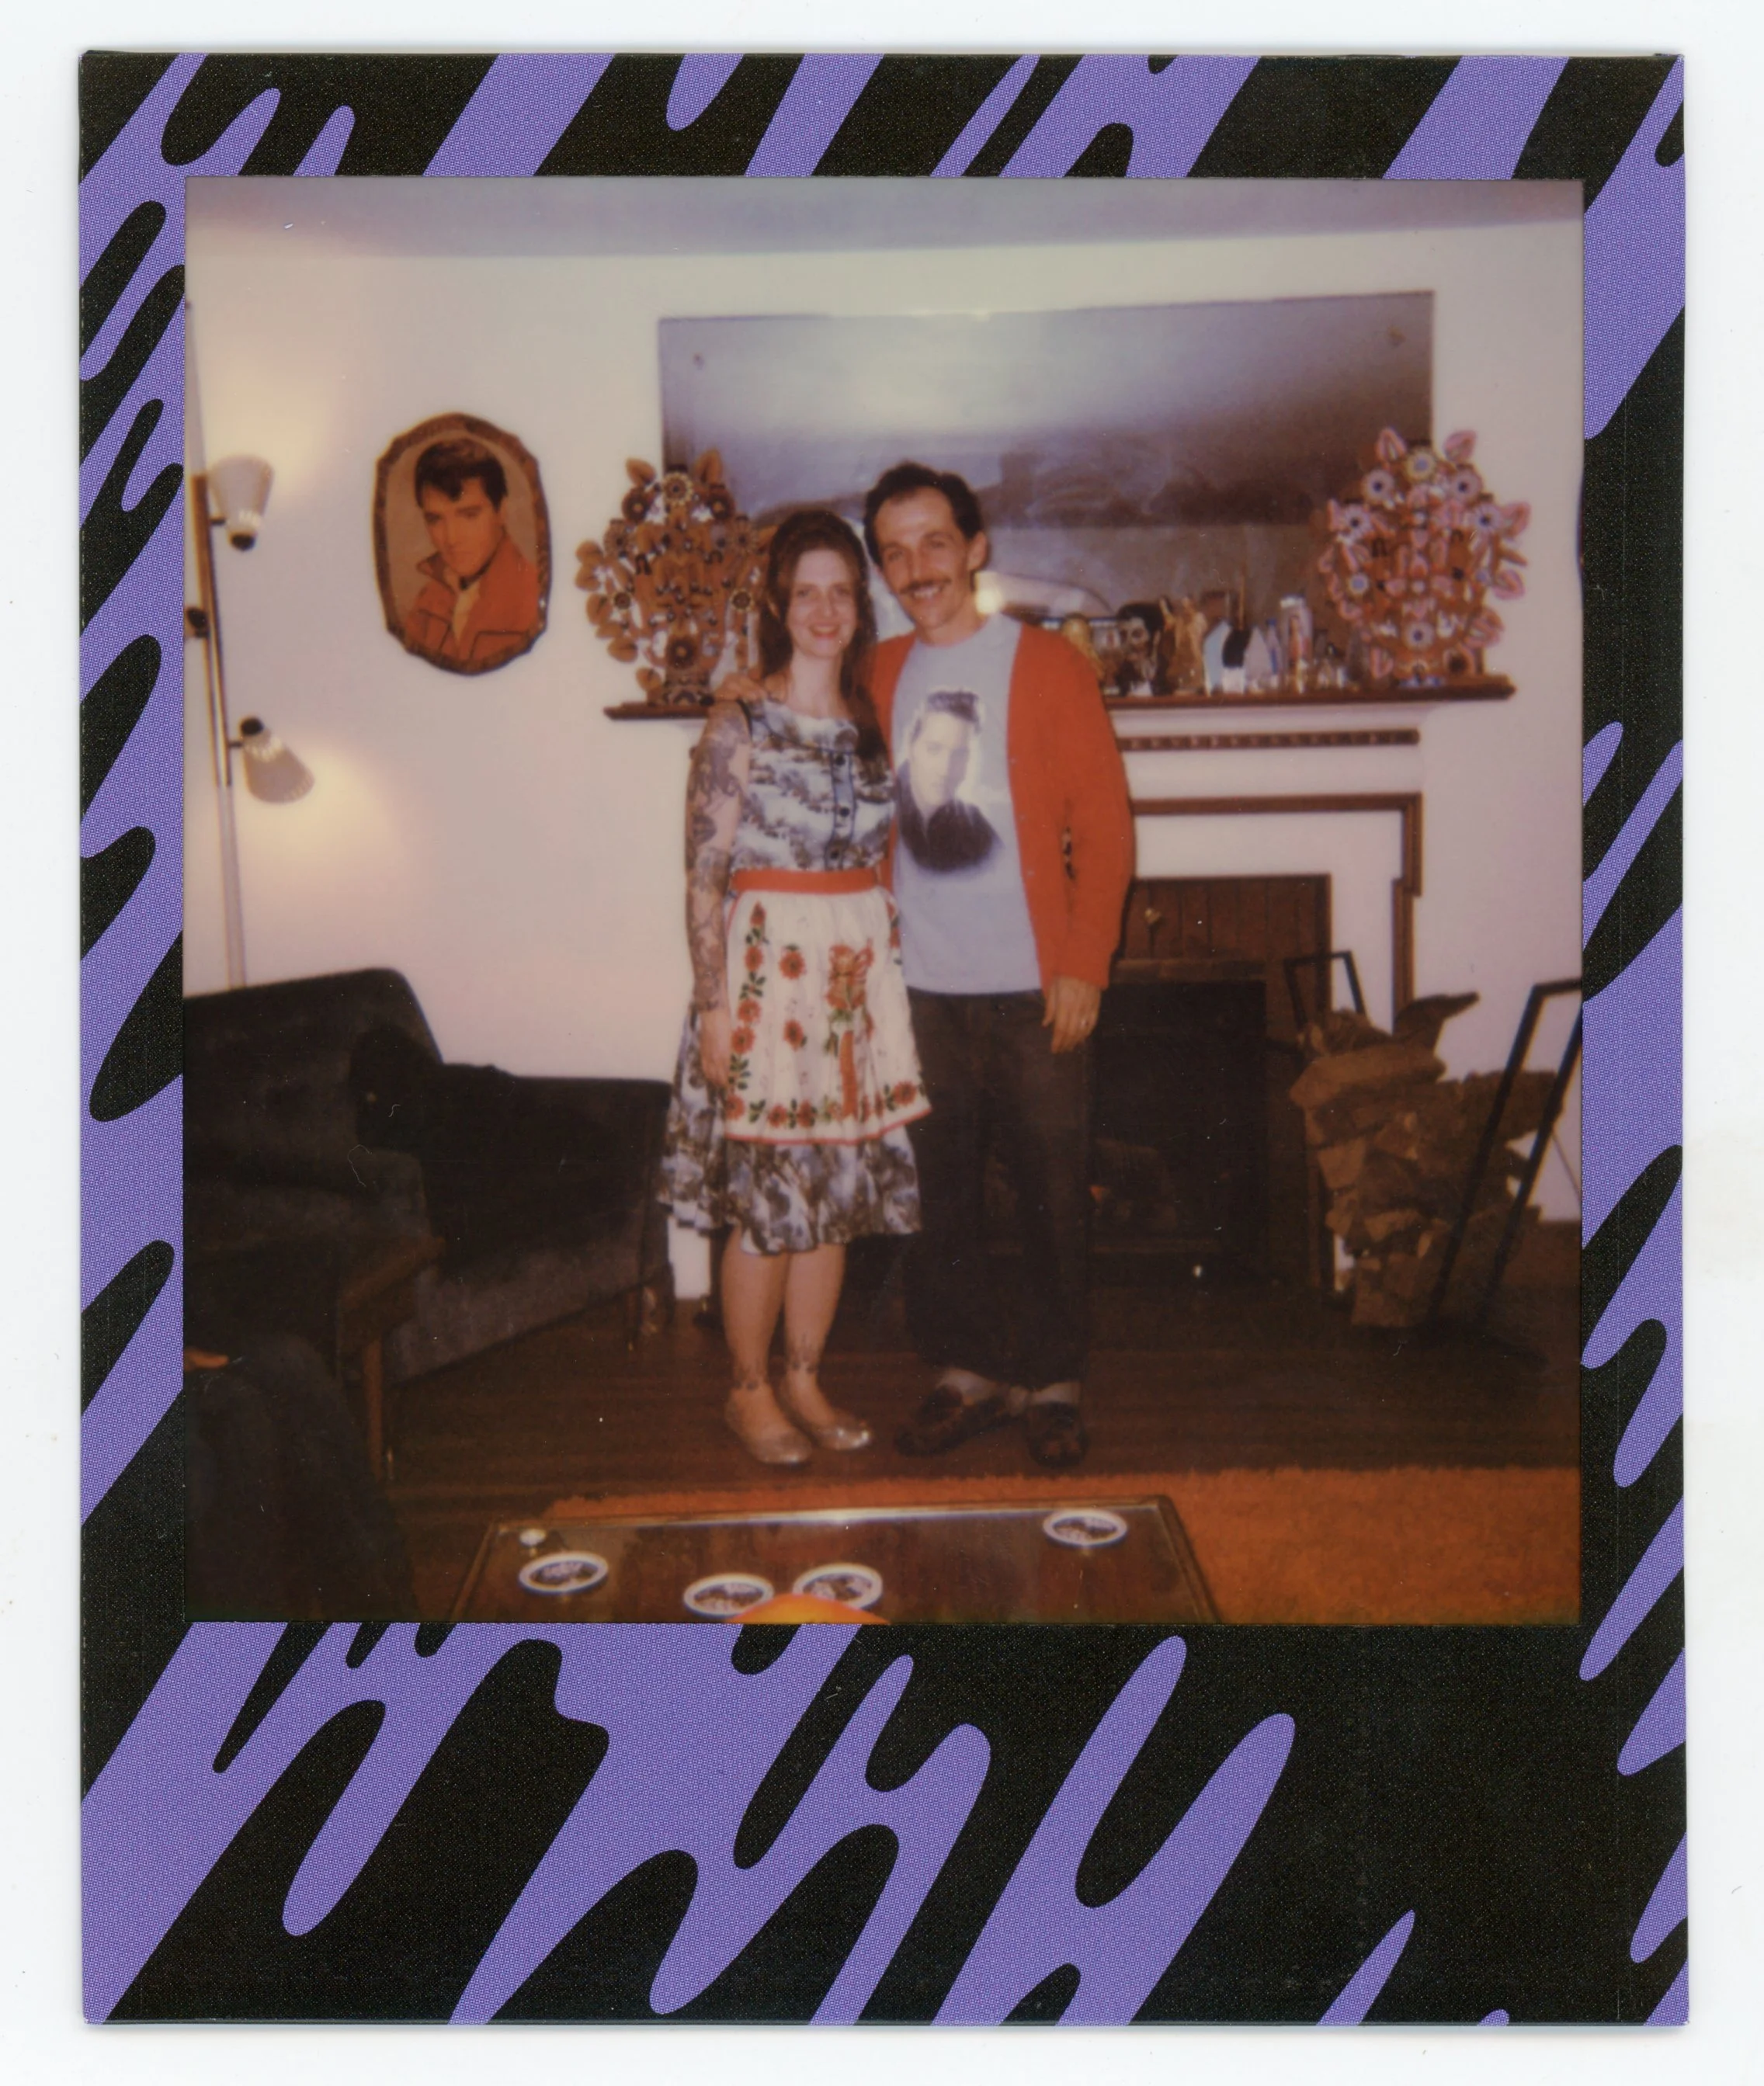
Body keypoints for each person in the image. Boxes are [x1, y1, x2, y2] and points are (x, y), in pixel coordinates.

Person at [863, 461, 1134, 1470]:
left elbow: (1104, 824)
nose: (915, 567)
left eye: (935, 542)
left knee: (1055, 1187)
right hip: (920, 984)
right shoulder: (878, 672)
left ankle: (1056, 1377)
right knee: (941, 1190)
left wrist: (1083, 962)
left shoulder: (1049, 666)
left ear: (975, 548)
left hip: (1033, 983)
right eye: (894, 550)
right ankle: (969, 1368)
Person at [661, 509, 929, 1466]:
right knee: (770, 1201)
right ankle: (748, 1390)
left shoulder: (872, 720)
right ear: (780, 601)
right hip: (766, 981)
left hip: (850, 982)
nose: (823, 609)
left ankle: (806, 1378)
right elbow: (702, 874)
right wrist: (714, 1006)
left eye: (841, 591)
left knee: (834, 1194)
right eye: (805, 589)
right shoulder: (739, 718)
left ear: (860, 607)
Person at [401, 439, 542, 672]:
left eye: (469, 515)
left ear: (501, 512)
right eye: (435, 519)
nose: (452, 538)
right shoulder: (428, 602)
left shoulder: (532, 596)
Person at [894, 689, 1002, 872]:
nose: (946, 770)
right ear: (911, 747)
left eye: (960, 754)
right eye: (934, 749)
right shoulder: (879, 811)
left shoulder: (978, 833)